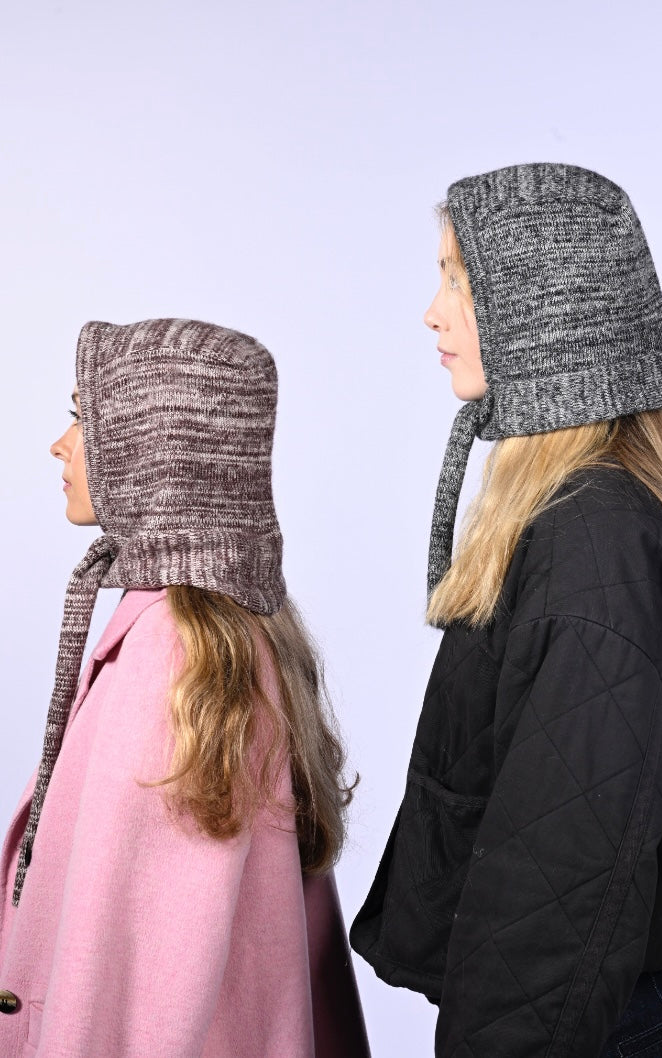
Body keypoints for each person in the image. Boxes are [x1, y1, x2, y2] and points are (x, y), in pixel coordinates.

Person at [350, 163, 662, 1057]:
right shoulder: (568, 519)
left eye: (460, 280)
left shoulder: (593, 541)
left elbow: (565, 877)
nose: (433, 313)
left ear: (544, 308)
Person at [0, 319, 371, 1058]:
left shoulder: (174, 658)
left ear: (153, 447)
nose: (60, 444)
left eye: (83, 418)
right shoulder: (215, 630)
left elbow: (134, 986)